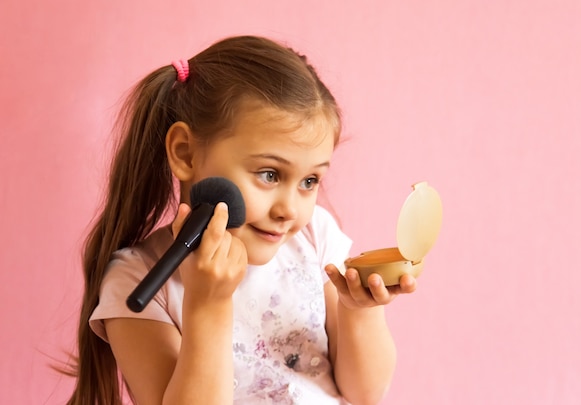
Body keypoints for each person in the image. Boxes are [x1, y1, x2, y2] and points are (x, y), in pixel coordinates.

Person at [67, 35, 418, 405]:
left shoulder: (315, 236)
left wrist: (358, 310)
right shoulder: (136, 280)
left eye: (310, 181)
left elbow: (366, 393)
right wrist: (208, 306)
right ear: (185, 153)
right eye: (269, 174)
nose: (289, 209)